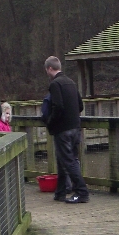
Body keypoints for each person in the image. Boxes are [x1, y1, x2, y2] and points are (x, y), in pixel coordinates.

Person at [43, 56, 89, 204]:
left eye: (46, 70)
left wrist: (50, 122)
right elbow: (80, 106)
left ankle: (82, 192)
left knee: (69, 161)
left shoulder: (55, 84)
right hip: (76, 127)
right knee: (65, 159)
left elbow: (58, 106)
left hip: (63, 129)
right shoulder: (71, 82)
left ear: (50, 69)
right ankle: (61, 192)